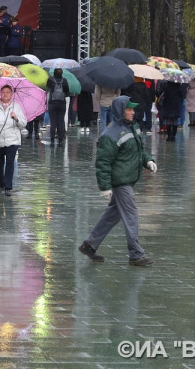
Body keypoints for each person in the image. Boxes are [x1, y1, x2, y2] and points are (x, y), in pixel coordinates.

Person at [79, 96, 156, 266]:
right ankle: (136, 254)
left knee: (112, 215)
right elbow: (103, 162)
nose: (132, 112)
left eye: (132, 109)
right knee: (131, 216)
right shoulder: (110, 134)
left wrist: (148, 160)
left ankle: (89, 245)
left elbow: (139, 150)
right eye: (128, 109)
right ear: (120, 111)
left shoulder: (132, 127)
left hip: (128, 178)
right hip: (121, 181)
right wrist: (105, 187)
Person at [46, 69, 70, 144]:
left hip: (52, 103)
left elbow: (47, 89)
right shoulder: (65, 80)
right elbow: (67, 92)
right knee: (61, 121)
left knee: (53, 122)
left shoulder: (50, 79)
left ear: (54, 73)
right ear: (62, 73)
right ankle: (60, 140)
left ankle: (52, 140)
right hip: (62, 103)